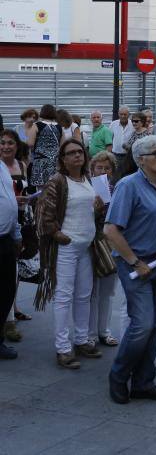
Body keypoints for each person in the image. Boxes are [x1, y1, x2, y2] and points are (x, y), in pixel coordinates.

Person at [106, 135, 156, 404]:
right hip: (136, 265)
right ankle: (118, 377)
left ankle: (143, 382)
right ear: (140, 160)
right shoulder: (128, 186)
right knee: (143, 324)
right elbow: (111, 230)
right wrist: (135, 261)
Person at [36, 139, 104, 369]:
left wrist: (97, 209)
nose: (77, 155)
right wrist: (57, 234)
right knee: (64, 296)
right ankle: (63, 348)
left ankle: (82, 340)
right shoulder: (58, 180)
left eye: (79, 152)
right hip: (67, 246)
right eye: (71, 153)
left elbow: (89, 211)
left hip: (86, 246)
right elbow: (44, 211)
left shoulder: (87, 179)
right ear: (63, 159)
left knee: (84, 294)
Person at [87, 152, 119, 348]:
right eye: (99, 168)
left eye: (107, 168)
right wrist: (96, 210)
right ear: (92, 169)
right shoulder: (87, 189)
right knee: (91, 291)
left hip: (110, 243)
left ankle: (104, 331)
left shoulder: (117, 189)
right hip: (92, 242)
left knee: (108, 290)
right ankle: (89, 333)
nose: (103, 172)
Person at [0, 131, 25, 349]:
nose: (6, 146)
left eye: (10, 143)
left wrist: (17, 233)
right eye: (2, 143)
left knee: (9, 285)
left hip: (10, 233)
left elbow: (10, 203)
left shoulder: (11, 168)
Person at [25, 104, 63, 189]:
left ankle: (42, 202)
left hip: (40, 162)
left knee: (41, 190)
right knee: (55, 188)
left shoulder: (37, 125)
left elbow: (30, 143)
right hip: (55, 162)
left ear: (42, 113)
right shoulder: (59, 127)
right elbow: (63, 145)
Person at [109, 107, 133, 182]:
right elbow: (110, 138)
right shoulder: (113, 124)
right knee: (115, 176)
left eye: (125, 114)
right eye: (121, 114)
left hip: (128, 156)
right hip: (115, 155)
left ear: (128, 115)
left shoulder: (133, 124)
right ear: (118, 114)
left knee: (127, 175)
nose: (123, 116)